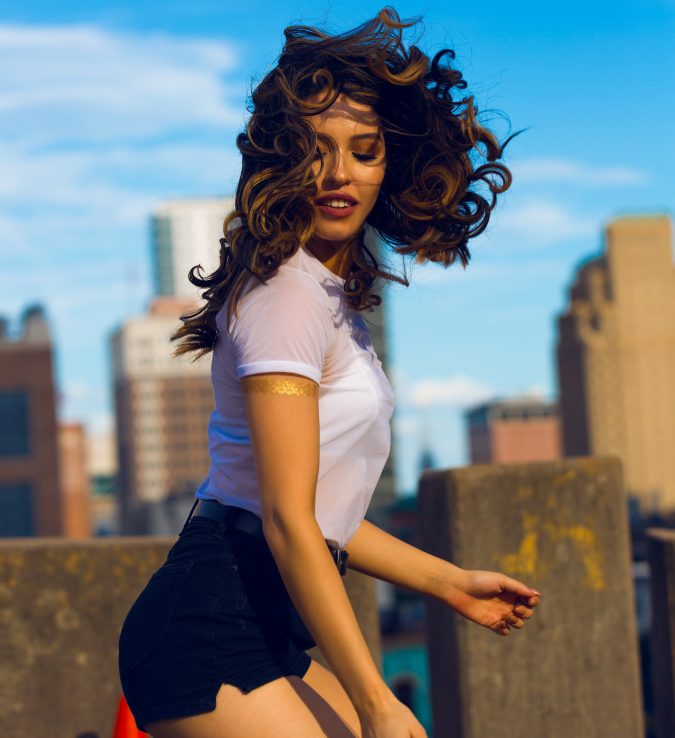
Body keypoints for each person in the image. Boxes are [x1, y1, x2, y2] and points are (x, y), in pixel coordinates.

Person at [117, 7, 542, 738]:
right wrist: (377, 699)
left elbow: (320, 515)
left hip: (264, 626)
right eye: (315, 150)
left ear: (391, 163)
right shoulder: (285, 293)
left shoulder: (324, 294)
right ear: (282, 161)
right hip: (206, 631)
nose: (340, 173)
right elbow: (285, 520)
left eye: (365, 150)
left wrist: (448, 582)